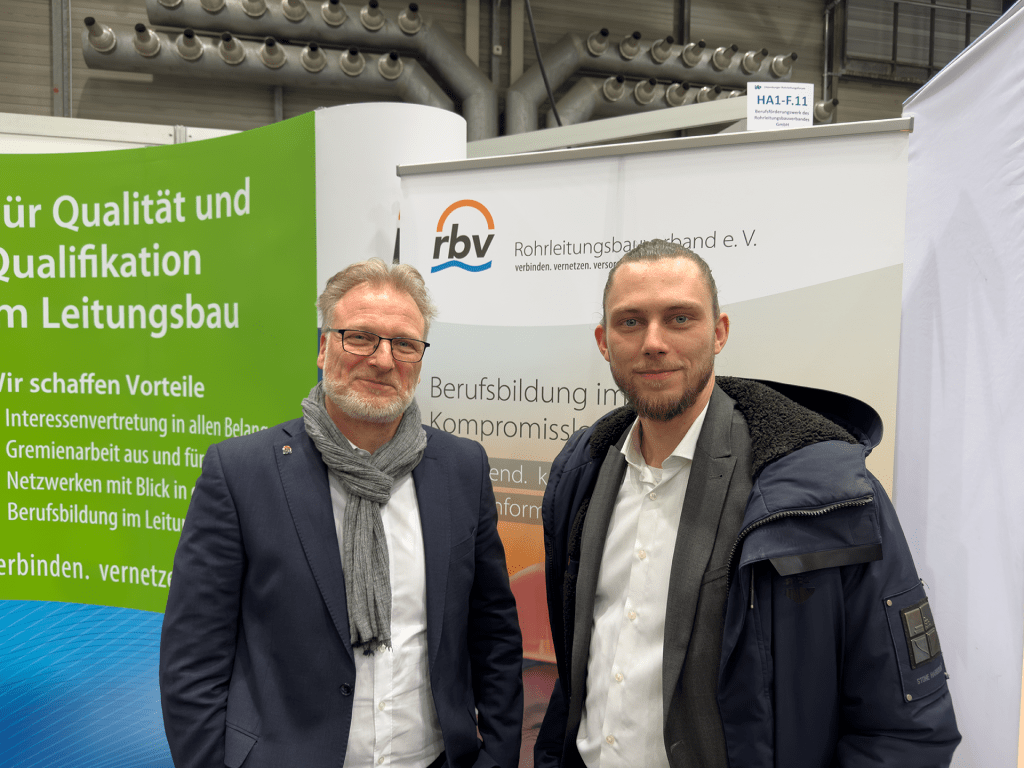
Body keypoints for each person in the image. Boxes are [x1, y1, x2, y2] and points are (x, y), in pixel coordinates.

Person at [534, 240, 960, 768]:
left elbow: (907, 730)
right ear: (603, 341)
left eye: (680, 318)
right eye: (630, 322)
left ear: (719, 332)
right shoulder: (582, 475)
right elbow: (580, 674)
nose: (654, 342)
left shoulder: (830, 496)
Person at [160, 259, 523, 768]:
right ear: (323, 347)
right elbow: (193, 658)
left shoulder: (462, 468)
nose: (383, 359)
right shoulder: (241, 473)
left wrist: (498, 757)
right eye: (360, 337)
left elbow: (493, 632)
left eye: (405, 344)